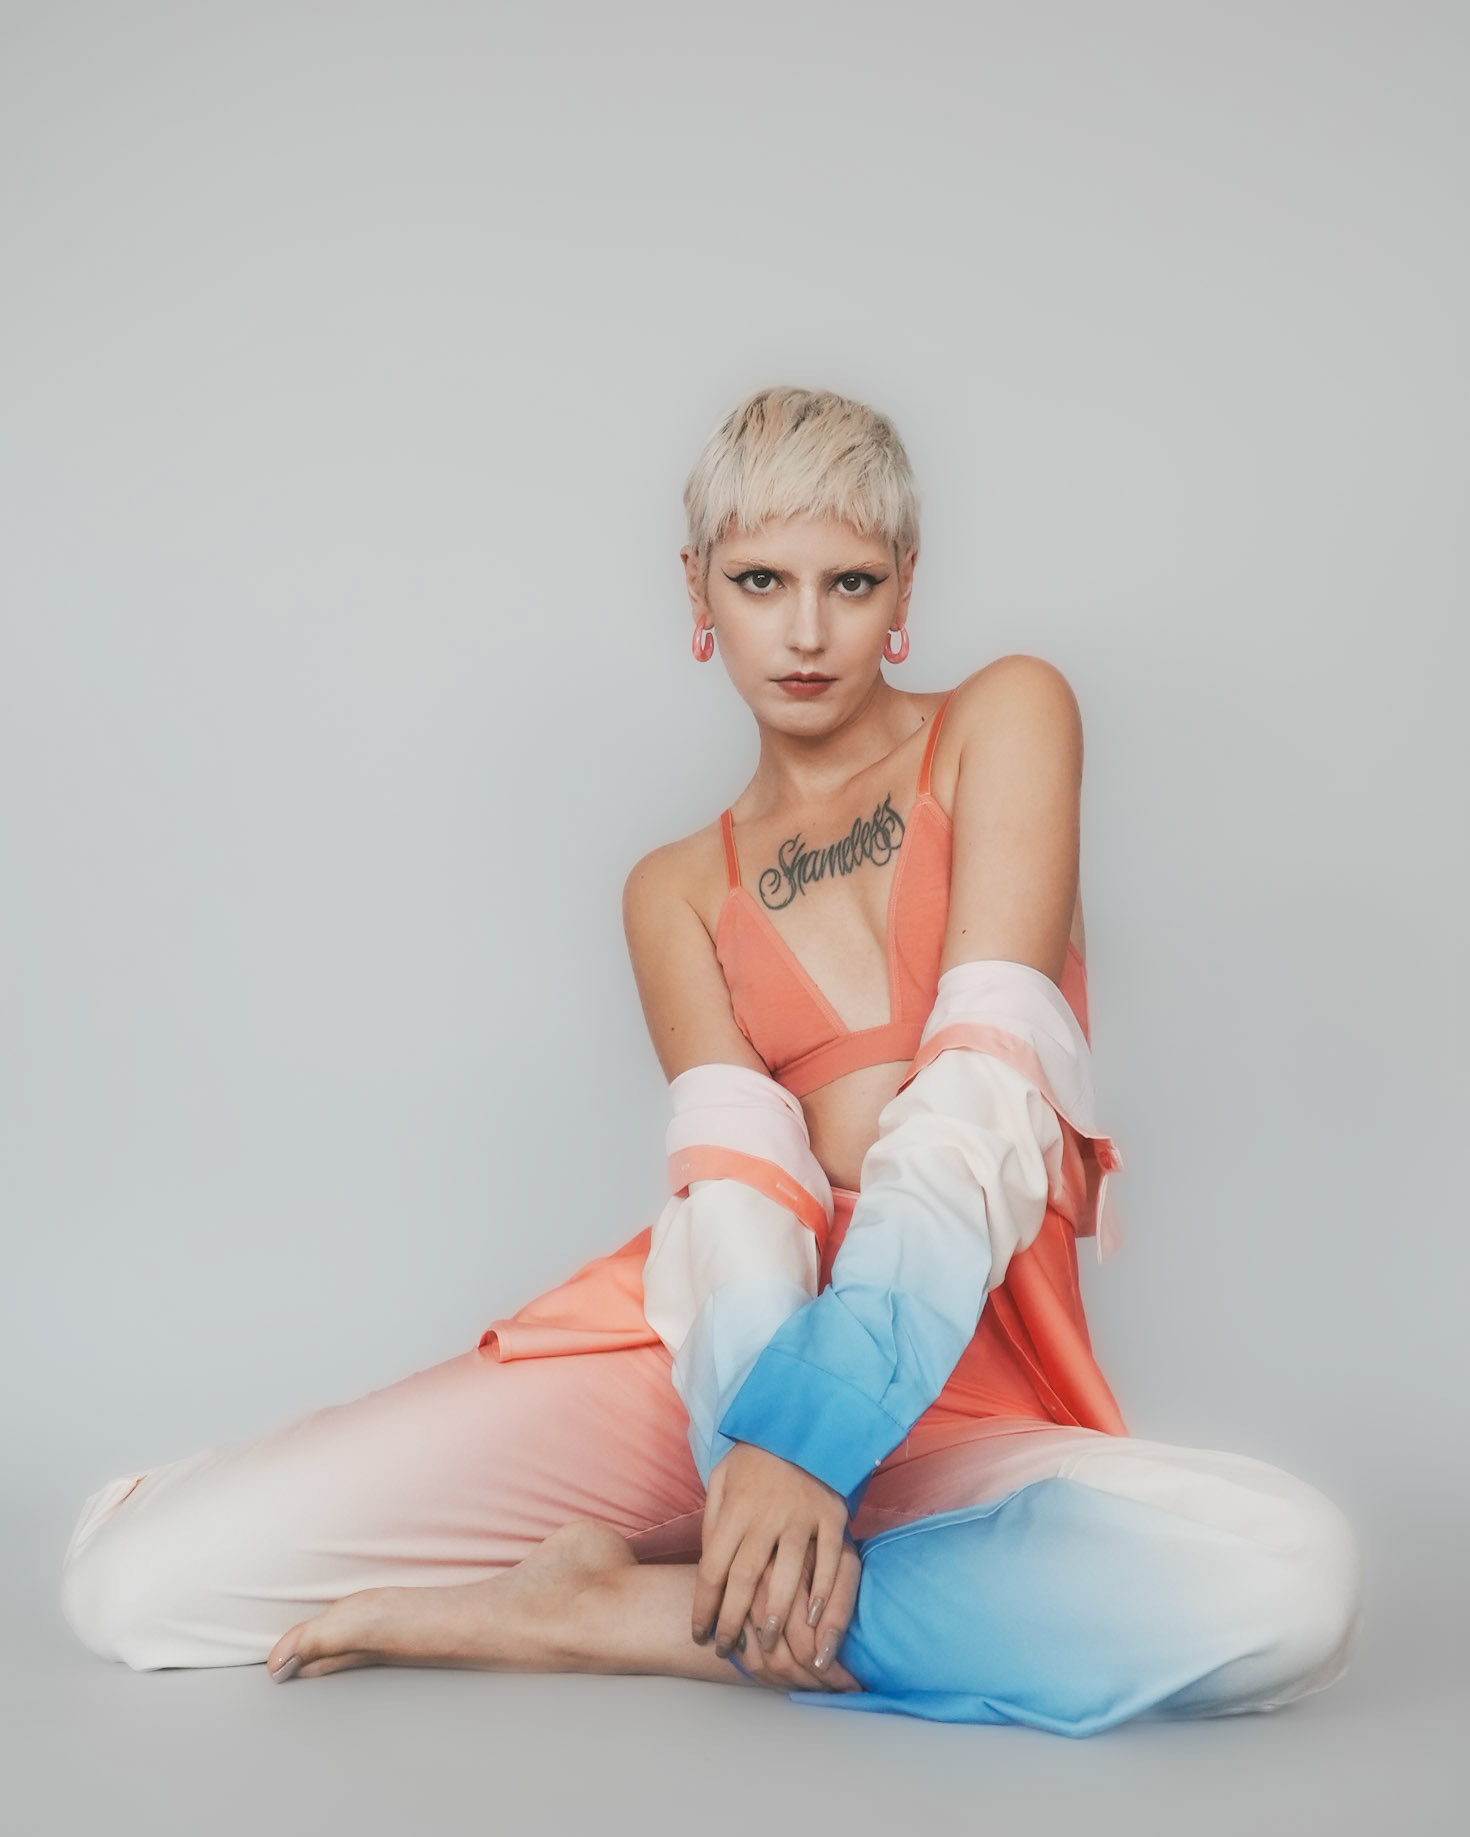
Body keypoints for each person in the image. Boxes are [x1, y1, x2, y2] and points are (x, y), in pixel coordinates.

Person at [59, 384, 1364, 1733]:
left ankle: (617, 1616)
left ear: (905, 583)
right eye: (759, 582)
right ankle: (750, 1567)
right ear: (697, 588)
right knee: (136, 1586)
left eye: (849, 582)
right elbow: (738, 1199)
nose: (804, 632)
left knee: (1288, 1577)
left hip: (952, 1396)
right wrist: (756, 1434)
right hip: (700, 1366)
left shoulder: (1006, 717)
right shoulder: (673, 889)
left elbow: (982, 1095)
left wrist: (813, 1434)